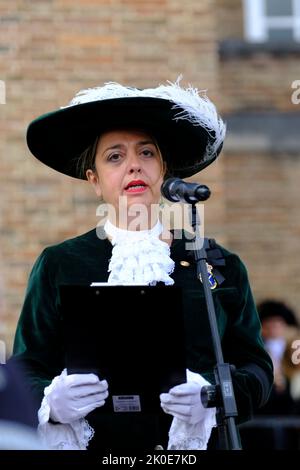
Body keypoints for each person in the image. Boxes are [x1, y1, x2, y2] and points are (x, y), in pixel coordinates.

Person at [11, 79, 273, 450]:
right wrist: (50, 403)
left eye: (147, 153)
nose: (134, 165)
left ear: (164, 170)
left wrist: (211, 396)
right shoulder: (60, 263)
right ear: (95, 181)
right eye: (115, 157)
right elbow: (26, 367)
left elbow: (257, 369)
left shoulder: (216, 263)